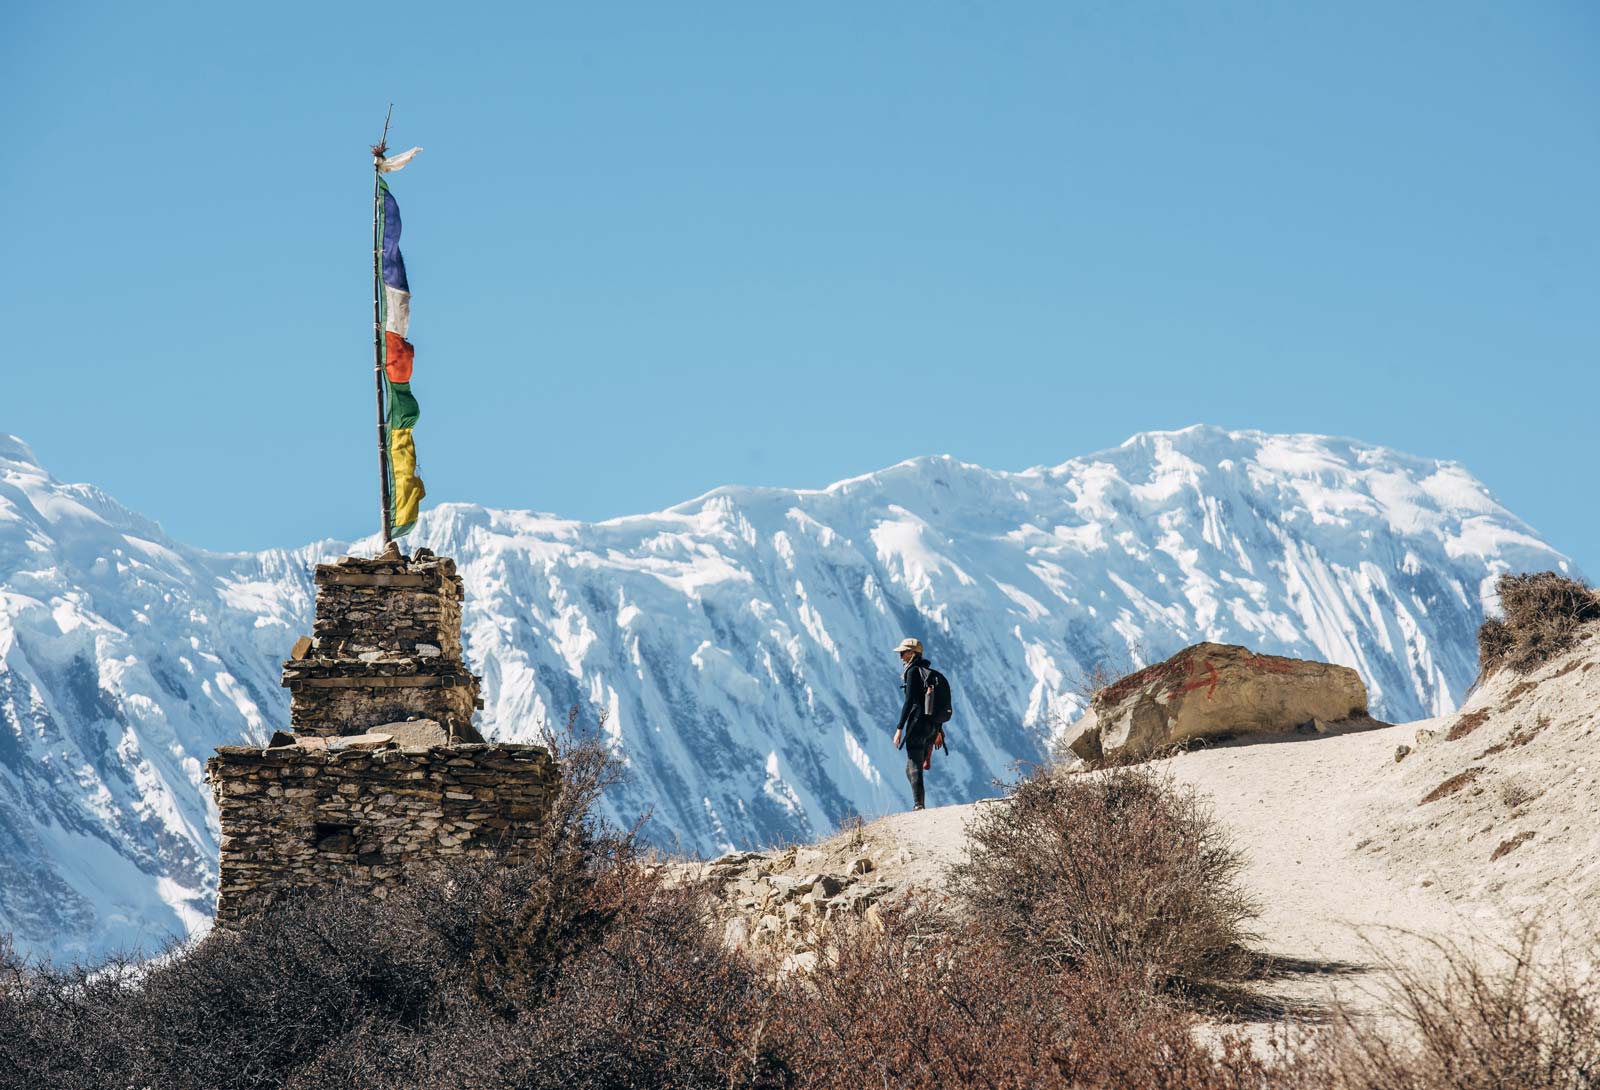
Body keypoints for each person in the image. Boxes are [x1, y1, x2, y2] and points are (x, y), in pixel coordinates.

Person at [891, 636, 943, 811]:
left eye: (904, 653)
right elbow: (936, 704)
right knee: (911, 767)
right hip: (932, 727)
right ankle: (919, 801)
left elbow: (909, 702)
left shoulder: (913, 672)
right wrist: (939, 731)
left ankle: (918, 805)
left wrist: (899, 728)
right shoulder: (930, 673)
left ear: (913, 653)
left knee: (913, 764)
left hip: (917, 724)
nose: (901, 657)